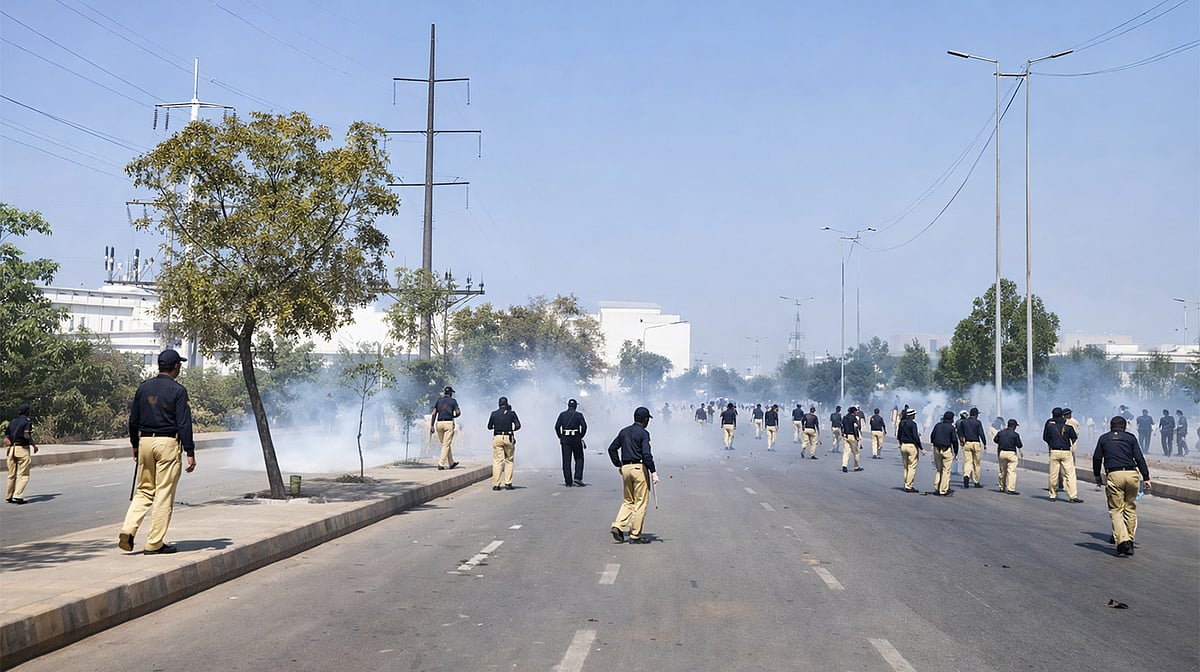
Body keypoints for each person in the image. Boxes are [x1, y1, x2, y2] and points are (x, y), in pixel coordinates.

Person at [118, 349, 197, 554]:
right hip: (167, 444)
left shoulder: (143, 388)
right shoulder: (178, 391)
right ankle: (154, 543)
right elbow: (183, 423)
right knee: (163, 493)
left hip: (145, 441)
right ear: (176, 366)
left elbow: (133, 420)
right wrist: (190, 451)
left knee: (144, 490)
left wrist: (135, 445)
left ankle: (128, 530)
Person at [1092, 415, 1151, 557]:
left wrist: (1097, 476)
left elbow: (1097, 458)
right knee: (1130, 508)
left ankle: (1122, 542)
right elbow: (1139, 458)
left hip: (1114, 475)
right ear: (1125, 427)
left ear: (1110, 426)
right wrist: (1146, 477)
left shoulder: (1104, 438)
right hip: (1132, 474)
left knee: (1116, 510)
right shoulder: (1130, 438)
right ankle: (1130, 540)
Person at [609, 406, 659, 544]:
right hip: (639, 468)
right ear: (645, 420)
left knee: (628, 501)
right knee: (641, 502)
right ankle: (635, 535)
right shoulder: (644, 433)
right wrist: (653, 472)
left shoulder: (623, 431)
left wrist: (619, 464)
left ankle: (618, 525)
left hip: (625, 468)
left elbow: (612, 448)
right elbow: (646, 454)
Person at [1043, 407, 1081, 502]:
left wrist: (1052, 443)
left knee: (1053, 474)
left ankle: (1052, 495)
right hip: (1066, 452)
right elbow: (1074, 437)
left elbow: (1045, 438)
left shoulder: (1050, 426)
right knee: (1070, 474)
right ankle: (1073, 496)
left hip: (1054, 451)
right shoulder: (1068, 427)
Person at [5, 402, 40, 504]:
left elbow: (6, 437)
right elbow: (26, 435)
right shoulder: (27, 422)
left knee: (11, 474)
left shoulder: (12, 422)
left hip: (11, 450)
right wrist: (33, 445)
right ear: (27, 412)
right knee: (23, 474)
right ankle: (18, 495)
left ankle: (9, 496)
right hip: (22, 449)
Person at [486, 396, 521, 490]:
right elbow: (518, 425)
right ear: (507, 404)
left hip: (497, 437)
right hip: (508, 437)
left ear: (498, 404)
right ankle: (508, 483)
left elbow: (489, 426)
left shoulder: (494, 413)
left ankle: (496, 485)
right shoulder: (512, 413)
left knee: (498, 461)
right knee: (509, 460)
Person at [555, 399, 587, 487]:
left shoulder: (562, 415)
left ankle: (568, 481)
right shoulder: (579, 415)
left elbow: (557, 427)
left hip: (565, 439)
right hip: (576, 438)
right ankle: (577, 477)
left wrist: (560, 436)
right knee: (579, 458)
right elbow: (584, 427)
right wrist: (581, 436)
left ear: (568, 406)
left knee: (566, 461)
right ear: (576, 406)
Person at [430, 386, 461, 470]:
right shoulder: (453, 401)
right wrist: (453, 415)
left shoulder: (438, 401)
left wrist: (432, 425)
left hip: (439, 423)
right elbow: (458, 412)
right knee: (446, 444)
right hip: (448, 423)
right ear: (450, 393)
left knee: (445, 444)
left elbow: (433, 413)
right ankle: (441, 463)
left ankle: (451, 463)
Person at [957, 407, 986, 489]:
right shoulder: (978, 422)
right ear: (976, 415)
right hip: (976, 443)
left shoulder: (964, 422)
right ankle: (976, 482)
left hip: (967, 443)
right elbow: (981, 433)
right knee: (976, 463)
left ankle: (966, 475)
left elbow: (959, 431)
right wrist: (985, 443)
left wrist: (961, 439)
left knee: (968, 462)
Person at [930, 411, 958, 496]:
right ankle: (943, 490)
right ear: (951, 419)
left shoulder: (937, 425)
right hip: (946, 450)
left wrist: (934, 445)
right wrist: (956, 452)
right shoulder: (951, 428)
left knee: (939, 470)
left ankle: (936, 488)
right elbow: (954, 441)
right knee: (946, 471)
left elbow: (932, 436)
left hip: (937, 450)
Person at [896, 408, 924, 493]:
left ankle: (906, 483)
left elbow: (899, 435)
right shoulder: (913, 424)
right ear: (911, 415)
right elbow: (916, 437)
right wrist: (921, 447)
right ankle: (909, 486)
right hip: (912, 446)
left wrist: (901, 444)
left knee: (905, 466)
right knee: (912, 466)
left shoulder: (902, 423)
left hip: (903, 445)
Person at [993, 419, 1023, 495]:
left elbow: (995, 440)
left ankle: (1002, 487)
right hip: (1011, 454)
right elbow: (1019, 445)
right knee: (1011, 471)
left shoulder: (1000, 433)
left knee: (1002, 471)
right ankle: (1011, 489)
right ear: (1013, 426)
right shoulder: (1015, 435)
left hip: (1002, 453)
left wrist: (1001, 441)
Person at [840, 407, 863, 473]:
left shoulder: (844, 417)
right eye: (856, 412)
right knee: (856, 452)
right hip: (852, 436)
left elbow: (842, 426)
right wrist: (857, 437)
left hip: (845, 435)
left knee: (846, 451)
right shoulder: (854, 418)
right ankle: (856, 466)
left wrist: (842, 432)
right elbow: (855, 428)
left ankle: (844, 465)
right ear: (854, 412)